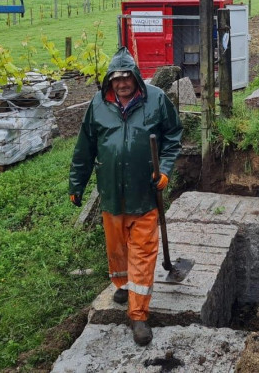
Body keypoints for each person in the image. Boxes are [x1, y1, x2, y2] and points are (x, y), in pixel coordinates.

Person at [69, 47, 182, 346]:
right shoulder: (98, 105)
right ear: (109, 81)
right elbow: (84, 149)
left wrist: (165, 171)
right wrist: (76, 185)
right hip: (111, 195)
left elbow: (173, 137)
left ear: (135, 77)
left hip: (144, 195)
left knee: (143, 254)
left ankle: (139, 315)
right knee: (117, 249)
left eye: (127, 77)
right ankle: (122, 284)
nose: (122, 84)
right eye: (116, 79)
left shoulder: (156, 99)